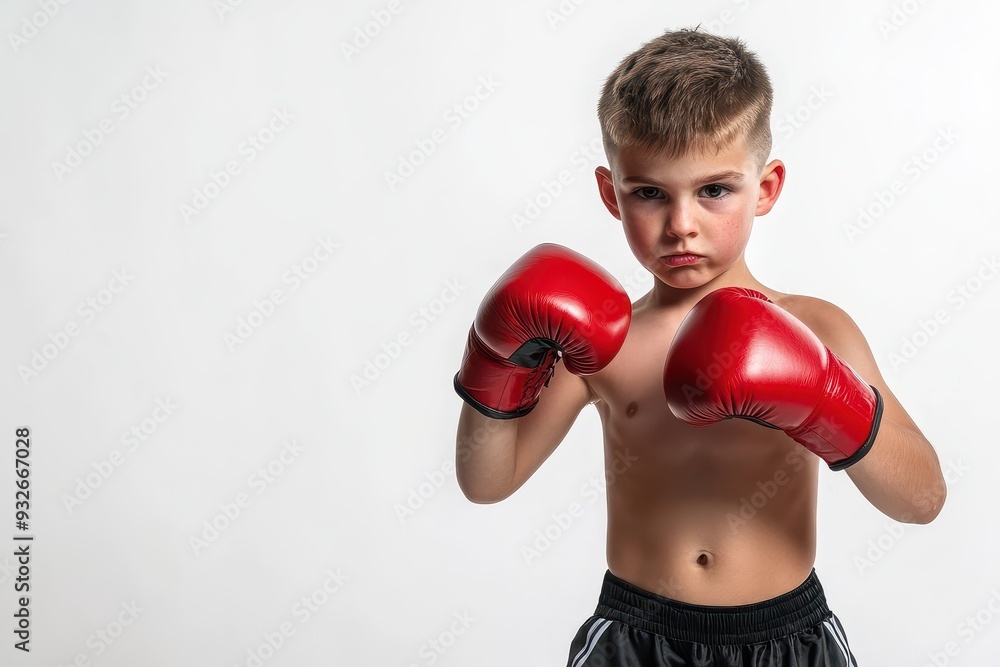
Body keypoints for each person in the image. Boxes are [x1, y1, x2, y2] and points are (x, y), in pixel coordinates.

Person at [453, 27, 947, 666]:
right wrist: (496, 359)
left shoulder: (814, 327)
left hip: (787, 637)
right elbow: (487, 482)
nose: (681, 224)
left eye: (714, 190)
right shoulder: (601, 343)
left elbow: (922, 500)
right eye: (649, 192)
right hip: (635, 636)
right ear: (610, 193)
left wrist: (827, 398)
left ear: (765, 187)